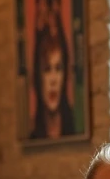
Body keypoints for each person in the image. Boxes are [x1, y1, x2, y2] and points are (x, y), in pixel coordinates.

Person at [28, 10, 77, 140]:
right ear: (38, 76)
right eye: (47, 69)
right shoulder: (32, 135)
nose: (53, 80)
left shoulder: (73, 129)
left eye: (58, 68)